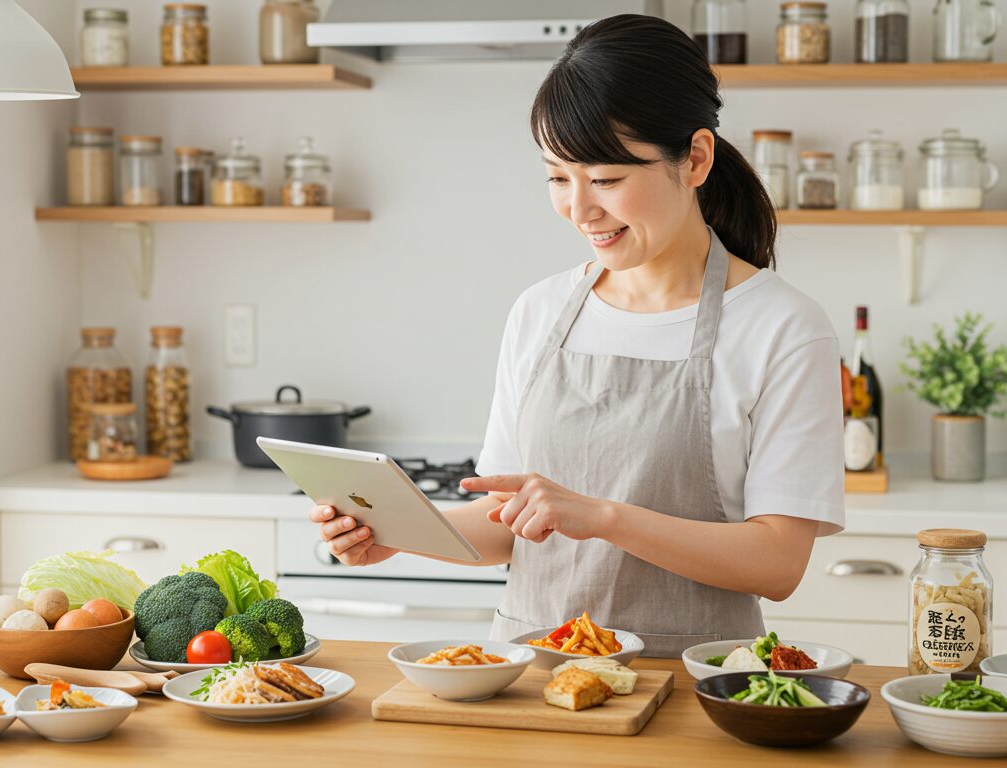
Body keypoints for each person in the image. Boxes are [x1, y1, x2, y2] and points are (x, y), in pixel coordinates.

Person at [310, 14, 844, 657]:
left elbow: (778, 564)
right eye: (559, 178)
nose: (581, 209)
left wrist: (605, 517)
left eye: (607, 179)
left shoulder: (783, 327)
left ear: (696, 158)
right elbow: (509, 525)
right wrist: (396, 535)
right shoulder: (539, 311)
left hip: (692, 688)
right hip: (531, 677)